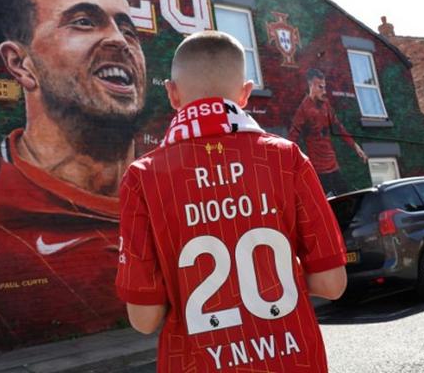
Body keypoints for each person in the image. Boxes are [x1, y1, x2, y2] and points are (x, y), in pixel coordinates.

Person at [0, 0, 147, 347]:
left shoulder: (177, 191)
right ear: (20, 64)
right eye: (83, 21)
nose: (119, 41)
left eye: (127, 28)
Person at [116, 31, 347, 372]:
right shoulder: (288, 159)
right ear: (245, 93)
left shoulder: (142, 178)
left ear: (172, 94)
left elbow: (145, 318)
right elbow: (332, 284)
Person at [288, 68, 368, 197]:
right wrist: (289, 160)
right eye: (321, 87)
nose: (324, 91)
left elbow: (339, 127)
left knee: (345, 196)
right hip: (318, 168)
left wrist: (355, 146)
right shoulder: (303, 109)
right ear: (311, 85)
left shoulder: (325, 105)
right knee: (323, 202)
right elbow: (293, 135)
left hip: (332, 164)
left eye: (325, 87)